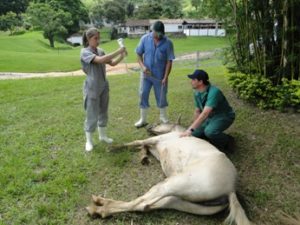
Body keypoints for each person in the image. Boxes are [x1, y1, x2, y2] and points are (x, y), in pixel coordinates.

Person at [80, 27, 127, 151]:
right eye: (96, 38)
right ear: (89, 39)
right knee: (92, 115)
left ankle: (103, 136)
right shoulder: (85, 52)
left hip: (103, 86)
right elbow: (100, 60)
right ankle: (89, 141)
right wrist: (119, 50)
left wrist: (122, 55)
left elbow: (112, 63)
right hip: (92, 88)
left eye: (99, 38)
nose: (98, 40)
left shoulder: (100, 50)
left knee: (103, 112)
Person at [180, 69, 235, 151]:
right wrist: (194, 128)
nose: (191, 81)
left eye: (193, 79)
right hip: (210, 117)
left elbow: (205, 113)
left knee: (210, 132)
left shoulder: (214, 92)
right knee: (195, 133)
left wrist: (190, 129)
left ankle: (228, 141)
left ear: (200, 82)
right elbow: (197, 111)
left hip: (223, 116)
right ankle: (211, 137)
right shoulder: (197, 93)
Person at [134, 21, 175, 128]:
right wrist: (143, 67)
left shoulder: (168, 43)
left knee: (161, 96)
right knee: (143, 94)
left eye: (158, 34)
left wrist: (165, 77)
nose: (156, 36)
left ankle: (163, 118)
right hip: (146, 75)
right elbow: (138, 54)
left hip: (160, 77)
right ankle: (143, 119)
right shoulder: (144, 39)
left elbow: (169, 61)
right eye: (154, 33)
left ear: (162, 33)